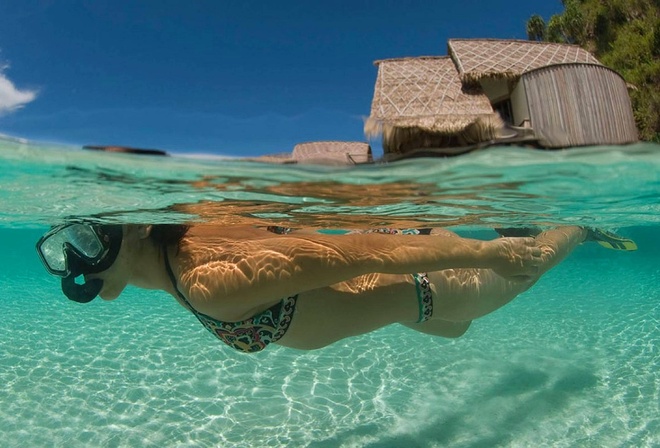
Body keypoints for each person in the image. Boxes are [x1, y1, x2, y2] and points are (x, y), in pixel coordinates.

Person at [35, 223, 636, 353]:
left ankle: (576, 229)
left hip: (428, 281)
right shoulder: (177, 259)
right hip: (418, 303)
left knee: (526, 268)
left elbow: (354, 254)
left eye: (86, 239)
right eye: (66, 251)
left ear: (137, 226)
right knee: (458, 331)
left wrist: (484, 252)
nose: (77, 262)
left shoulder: (206, 281)